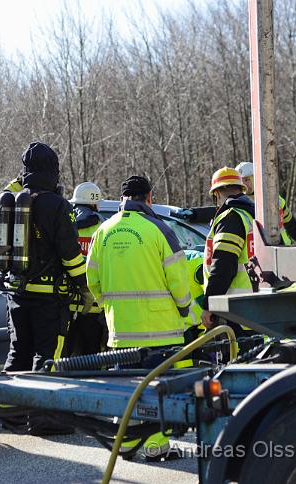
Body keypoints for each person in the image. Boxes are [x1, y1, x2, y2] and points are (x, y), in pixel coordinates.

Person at [86, 175, 191, 461]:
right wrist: (184, 309)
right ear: (148, 198)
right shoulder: (158, 229)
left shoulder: (103, 232)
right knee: (159, 390)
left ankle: (128, 445)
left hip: (121, 330)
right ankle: (156, 446)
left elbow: (92, 280)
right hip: (161, 330)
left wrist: (110, 308)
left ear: (121, 199)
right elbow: (178, 279)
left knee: (127, 390)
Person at [1, 142, 92, 373]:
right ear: (53, 169)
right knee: (49, 358)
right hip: (49, 300)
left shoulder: (11, 201)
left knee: (18, 353)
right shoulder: (58, 205)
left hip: (17, 294)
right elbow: (70, 255)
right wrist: (85, 287)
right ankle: (45, 408)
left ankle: (7, 405)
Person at [201, 167, 257, 331]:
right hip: (252, 309)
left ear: (217, 193)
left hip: (233, 311)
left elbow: (224, 265)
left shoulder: (230, 219)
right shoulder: (250, 215)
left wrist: (209, 304)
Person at [63, 182, 106, 357]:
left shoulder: (66, 222)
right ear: (95, 203)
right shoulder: (101, 226)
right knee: (91, 356)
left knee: (66, 356)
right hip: (93, 305)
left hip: (66, 302)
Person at [234, 161, 296, 246]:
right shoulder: (238, 204)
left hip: (284, 251)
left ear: (256, 178)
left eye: (247, 179)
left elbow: (293, 228)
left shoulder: (276, 199)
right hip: (259, 255)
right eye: (240, 181)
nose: (244, 184)